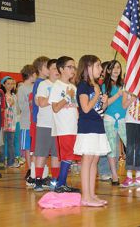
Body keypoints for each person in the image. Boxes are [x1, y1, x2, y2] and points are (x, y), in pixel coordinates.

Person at [74, 55, 111, 207]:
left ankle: (92, 194)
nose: (101, 69)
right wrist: (96, 95)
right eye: (98, 66)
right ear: (88, 67)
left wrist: (104, 102)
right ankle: (85, 196)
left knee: (95, 159)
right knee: (87, 160)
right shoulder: (83, 86)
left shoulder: (97, 86)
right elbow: (86, 108)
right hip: (87, 126)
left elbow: (99, 110)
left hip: (98, 125)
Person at [48, 56, 81, 193]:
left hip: (73, 127)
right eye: (69, 67)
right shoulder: (57, 86)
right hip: (63, 128)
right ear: (61, 69)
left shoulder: (73, 86)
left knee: (70, 156)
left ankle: (62, 183)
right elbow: (55, 108)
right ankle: (60, 183)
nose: (73, 69)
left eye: (74, 67)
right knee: (67, 156)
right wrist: (67, 97)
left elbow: (75, 108)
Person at [34, 59, 62, 191]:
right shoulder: (44, 84)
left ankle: (55, 182)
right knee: (41, 153)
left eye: (59, 69)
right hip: (45, 124)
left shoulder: (63, 85)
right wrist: (55, 94)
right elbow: (41, 102)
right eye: (54, 68)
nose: (57, 71)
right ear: (48, 70)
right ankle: (38, 180)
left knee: (57, 155)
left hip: (60, 125)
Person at [100, 60, 127, 186]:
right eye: (114, 68)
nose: (116, 70)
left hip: (123, 119)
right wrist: (118, 94)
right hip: (110, 119)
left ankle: (133, 174)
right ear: (108, 71)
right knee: (112, 148)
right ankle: (114, 175)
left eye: (118, 67)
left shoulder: (124, 84)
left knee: (129, 144)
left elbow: (125, 104)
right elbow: (105, 105)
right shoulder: (105, 86)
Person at [27, 56, 50, 187]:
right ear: (40, 69)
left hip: (40, 121)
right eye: (48, 67)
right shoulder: (40, 83)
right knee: (38, 150)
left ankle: (39, 175)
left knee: (41, 150)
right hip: (38, 121)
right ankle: (34, 177)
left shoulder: (44, 82)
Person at [17, 65, 36, 176]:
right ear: (30, 75)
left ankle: (35, 167)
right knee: (28, 148)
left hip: (35, 122)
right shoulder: (22, 89)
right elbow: (22, 107)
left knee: (35, 147)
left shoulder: (36, 87)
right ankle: (29, 168)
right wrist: (31, 103)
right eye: (35, 74)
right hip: (26, 123)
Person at [0, 76, 19, 168]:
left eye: (12, 83)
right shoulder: (0, 95)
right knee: (1, 143)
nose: (10, 85)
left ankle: (11, 162)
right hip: (2, 122)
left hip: (11, 122)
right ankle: (1, 161)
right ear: (3, 84)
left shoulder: (14, 96)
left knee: (11, 142)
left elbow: (16, 110)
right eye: (8, 83)